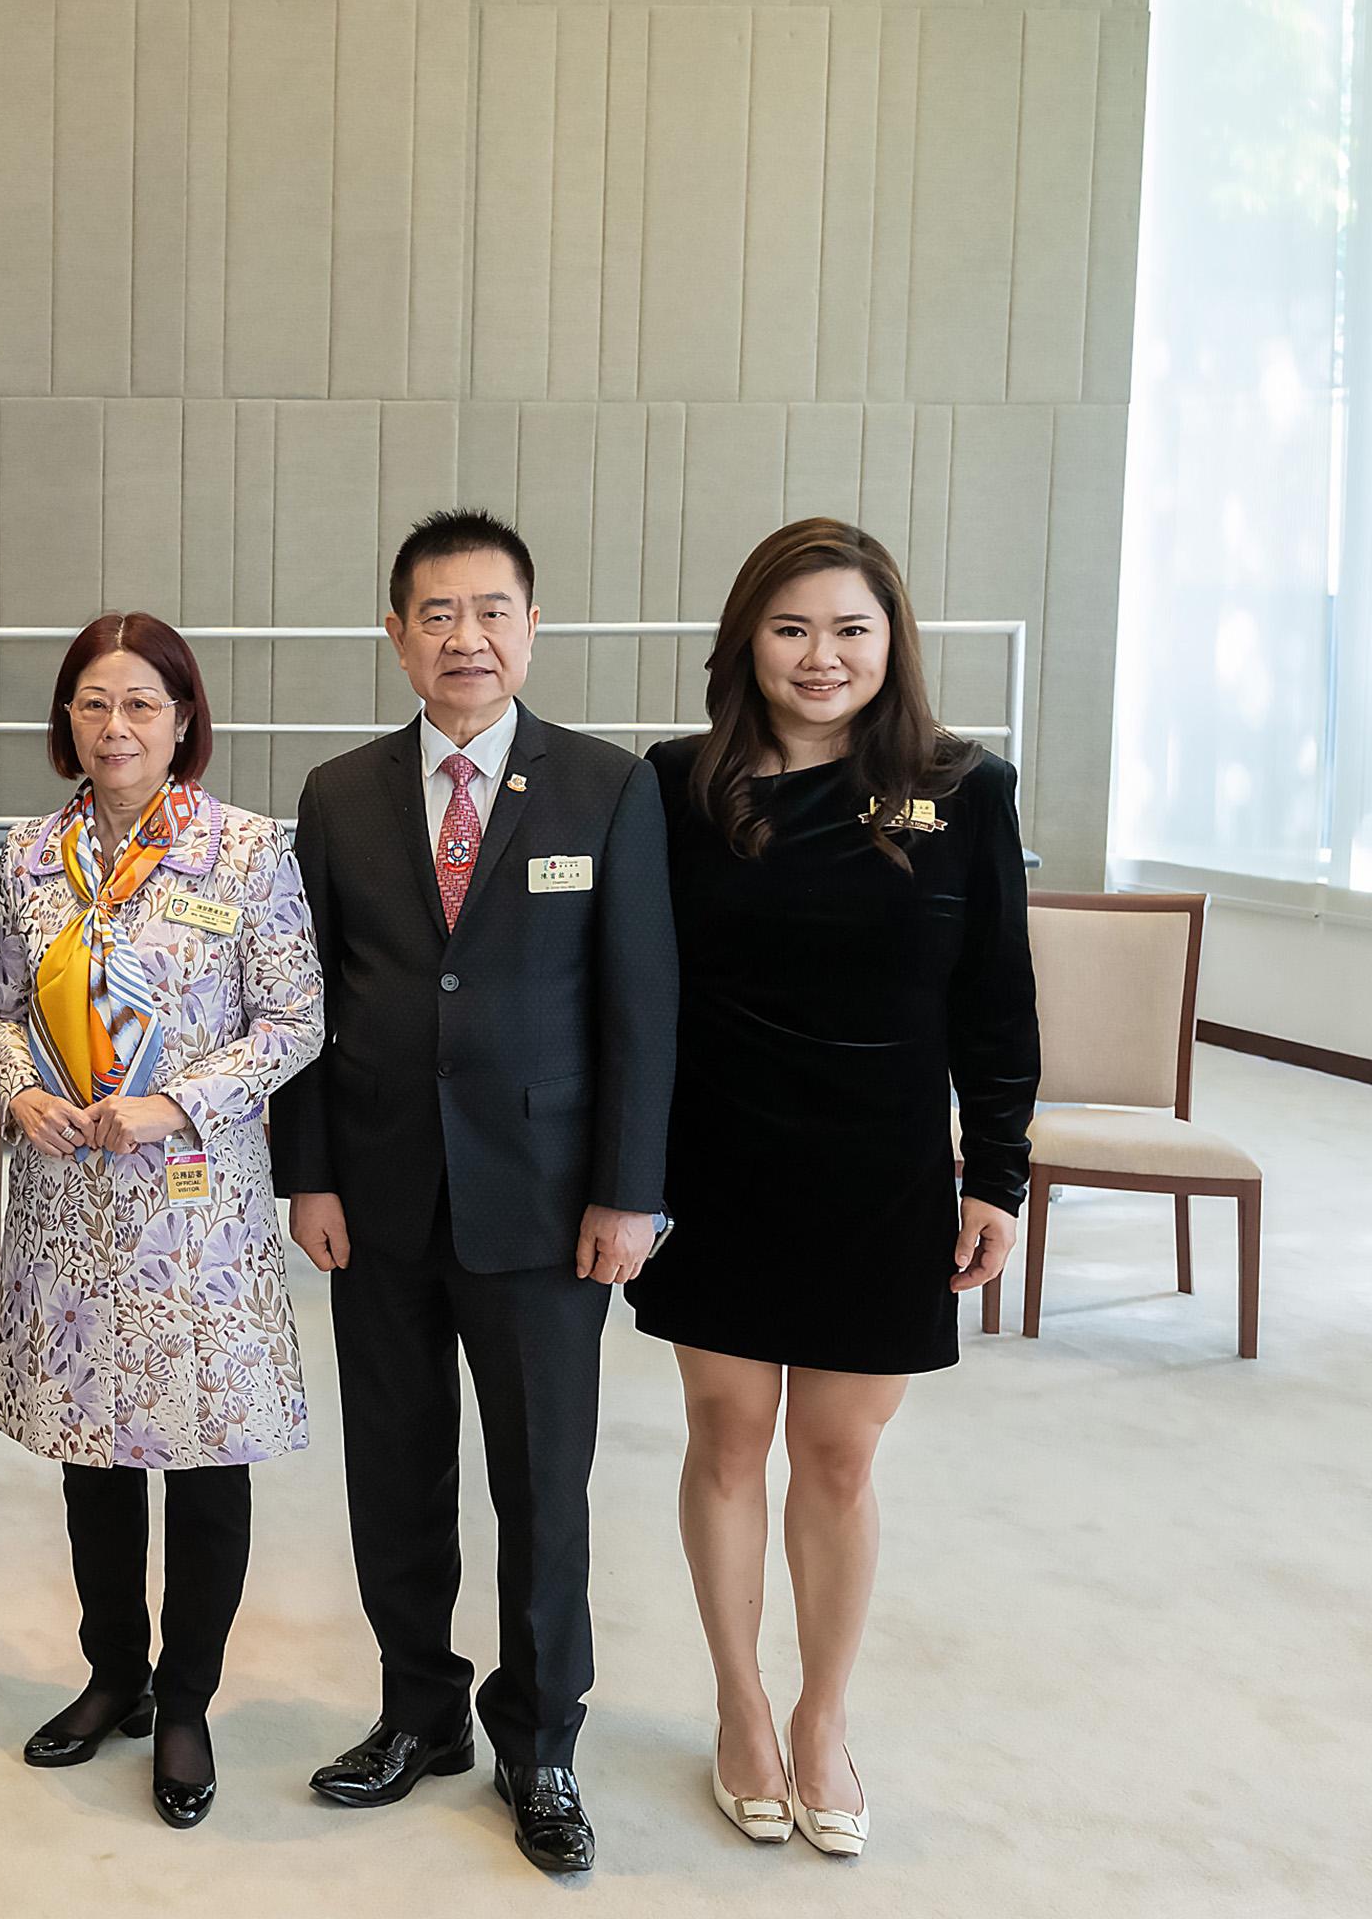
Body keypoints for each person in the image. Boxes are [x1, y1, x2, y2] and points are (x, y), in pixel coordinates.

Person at [626, 518, 1037, 1857]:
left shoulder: (964, 788)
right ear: (750, 638)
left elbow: (996, 999)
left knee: (843, 1460)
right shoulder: (683, 784)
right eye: (792, 627)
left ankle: (822, 1715)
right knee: (730, 1442)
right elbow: (639, 994)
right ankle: (742, 1708)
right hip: (725, 1159)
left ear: (892, 643)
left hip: (886, 1164)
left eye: (852, 629)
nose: (823, 656)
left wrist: (1001, 1175)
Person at [278, 509, 678, 1876]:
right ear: (396, 635)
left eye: (493, 610)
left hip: (548, 1208)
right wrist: (310, 1172)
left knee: (541, 1486)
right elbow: (306, 1006)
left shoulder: (606, 789)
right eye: (438, 614)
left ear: (532, 626)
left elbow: (643, 1008)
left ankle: (543, 1740)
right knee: (395, 1472)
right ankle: (416, 1710)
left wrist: (631, 1194)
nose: (467, 638)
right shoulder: (337, 796)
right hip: (379, 1201)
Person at [0, 613, 323, 1829]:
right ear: (65, 720)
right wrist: (18, 1086)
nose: (116, 727)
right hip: (70, 1197)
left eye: (142, 705)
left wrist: (177, 1102)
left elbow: (292, 1019)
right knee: (92, 1445)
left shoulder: (241, 851)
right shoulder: (29, 854)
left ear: (184, 720)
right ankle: (113, 1670)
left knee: (206, 1449)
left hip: (196, 1209)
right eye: (92, 704)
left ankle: (185, 1697)